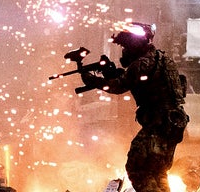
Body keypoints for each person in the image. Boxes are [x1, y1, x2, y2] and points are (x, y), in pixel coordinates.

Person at [80, 22, 189, 192]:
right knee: (157, 172)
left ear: (135, 45)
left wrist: (91, 79)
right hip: (173, 123)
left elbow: (118, 86)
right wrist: (111, 74)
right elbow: (139, 81)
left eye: (126, 46)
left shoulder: (142, 64)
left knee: (137, 170)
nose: (124, 50)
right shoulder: (163, 59)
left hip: (158, 124)